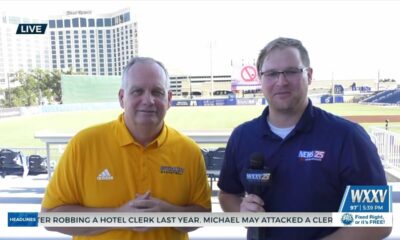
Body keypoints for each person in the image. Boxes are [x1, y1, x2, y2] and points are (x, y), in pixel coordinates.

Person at [217, 37, 391, 240]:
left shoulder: (347, 137)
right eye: (272, 73)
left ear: (308, 75)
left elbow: (377, 222)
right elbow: (228, 194)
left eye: (291, 71)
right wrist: (241, 213)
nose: (281, 81)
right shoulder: (242, 136)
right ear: (260, 78)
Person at [41, 57, 211, 240]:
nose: (148, 100)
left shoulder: (189, 151)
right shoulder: (84, 144)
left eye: (157, 92)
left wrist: (167, 213)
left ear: (169, 99)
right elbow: (51, 217)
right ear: (122, 98)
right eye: (137, 91)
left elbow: (202, 214)